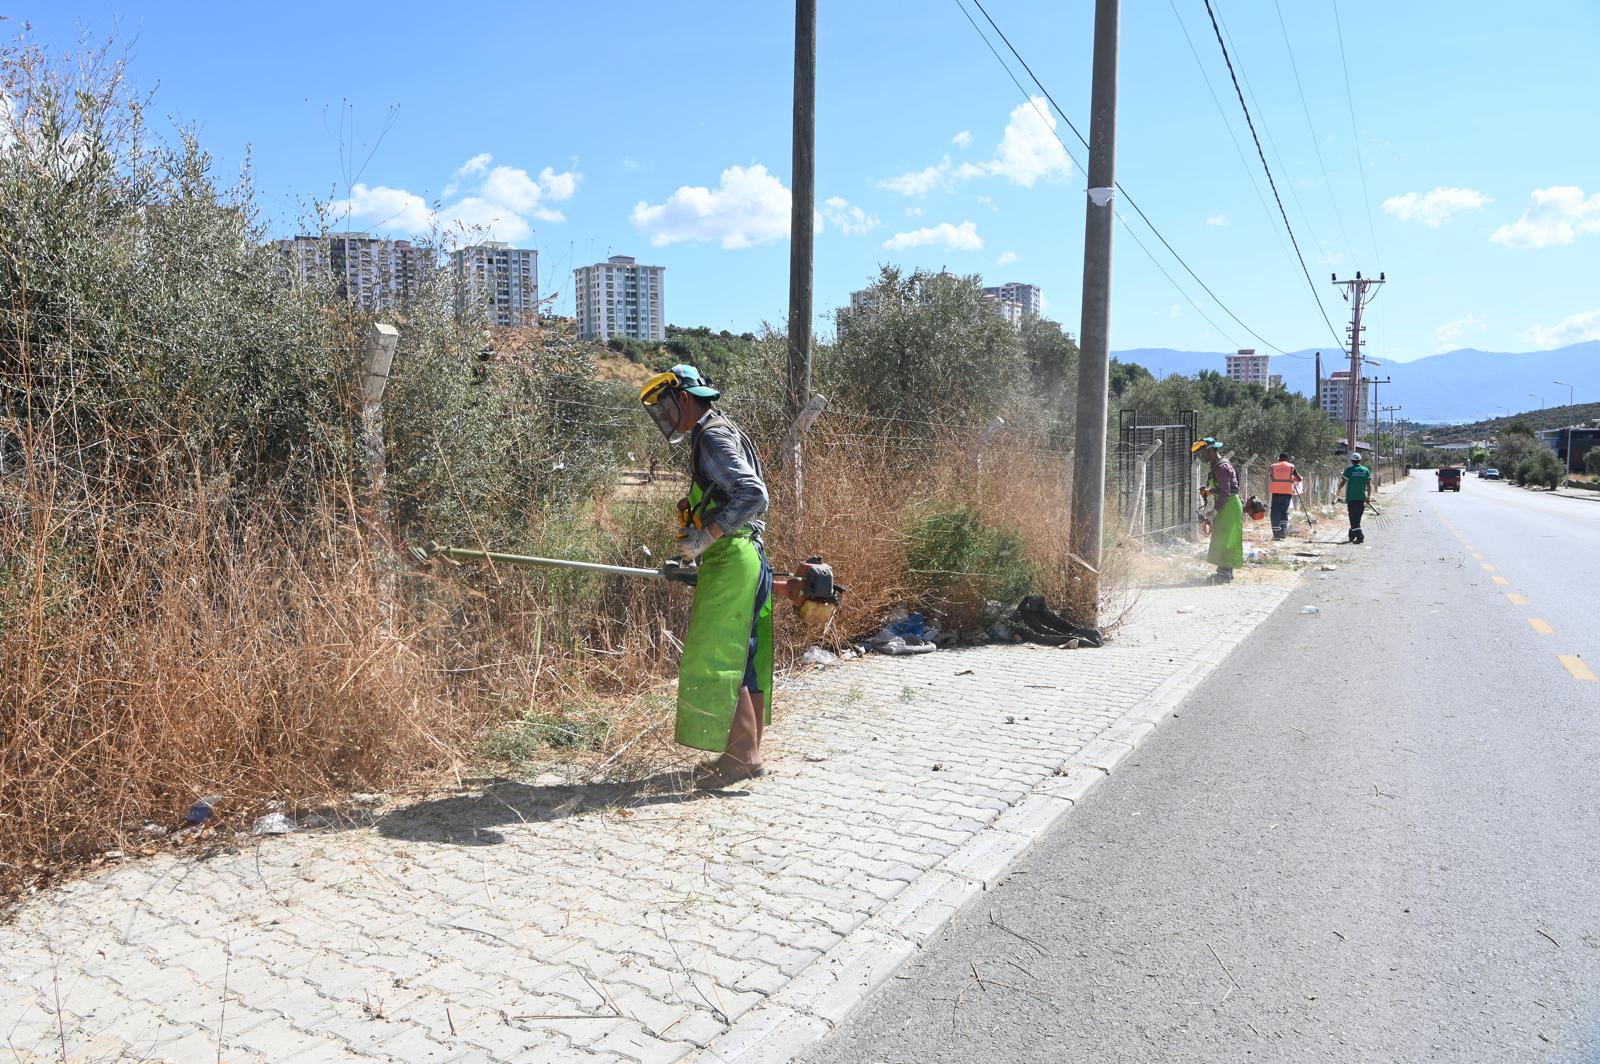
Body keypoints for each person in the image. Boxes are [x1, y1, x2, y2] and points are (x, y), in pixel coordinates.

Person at [639, 364, 774, 789]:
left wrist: (705, 538)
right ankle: (742, 754)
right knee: (741, 657)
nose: (663, 416)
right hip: (745, 556)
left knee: (715, 656)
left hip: (733, 557)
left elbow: (754, 494)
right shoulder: (719, 429)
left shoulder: (711, 435)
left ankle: (743, 759)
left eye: (664, 405)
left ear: (683, 398)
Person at [1193, 437, 1243, 583]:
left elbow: (1226, 492)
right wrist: (1210, 491)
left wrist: (1213, 513)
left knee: (1225, 539)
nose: (1202, 456)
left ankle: (1223, 575)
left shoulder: (1221, 467)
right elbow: (1222, 489)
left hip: (1229, 506)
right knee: (1222, 538)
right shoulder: (1216, 465)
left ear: (1211, 451)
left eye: (1204, 453)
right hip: (1226, 504)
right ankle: (1225, 572)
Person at [1268, 451, 1302, 541]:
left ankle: (1276, 533)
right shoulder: (1291, 467)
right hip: (1287, 492)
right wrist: (1292, 478)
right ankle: (1283, 531)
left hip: (1276, 492)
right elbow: (1299, 479)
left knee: (1275, 511)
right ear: (1288, 459)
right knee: (1284, 511)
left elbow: (1272, 477)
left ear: (1279, 459)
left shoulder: (1273, 466)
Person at [1339, 452, 1373, 544]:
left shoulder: (1349, 470)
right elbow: (1369, 485)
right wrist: (1369, 496)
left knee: (1353, 519)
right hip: (1362, 498)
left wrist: (1338, 490)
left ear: (1352, 461)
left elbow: (1343, 482)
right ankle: (1352, 534)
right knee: (1356, 519)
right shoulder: (1365, 470)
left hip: (1351, 498)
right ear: (1360, 460)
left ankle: (1360, 537)